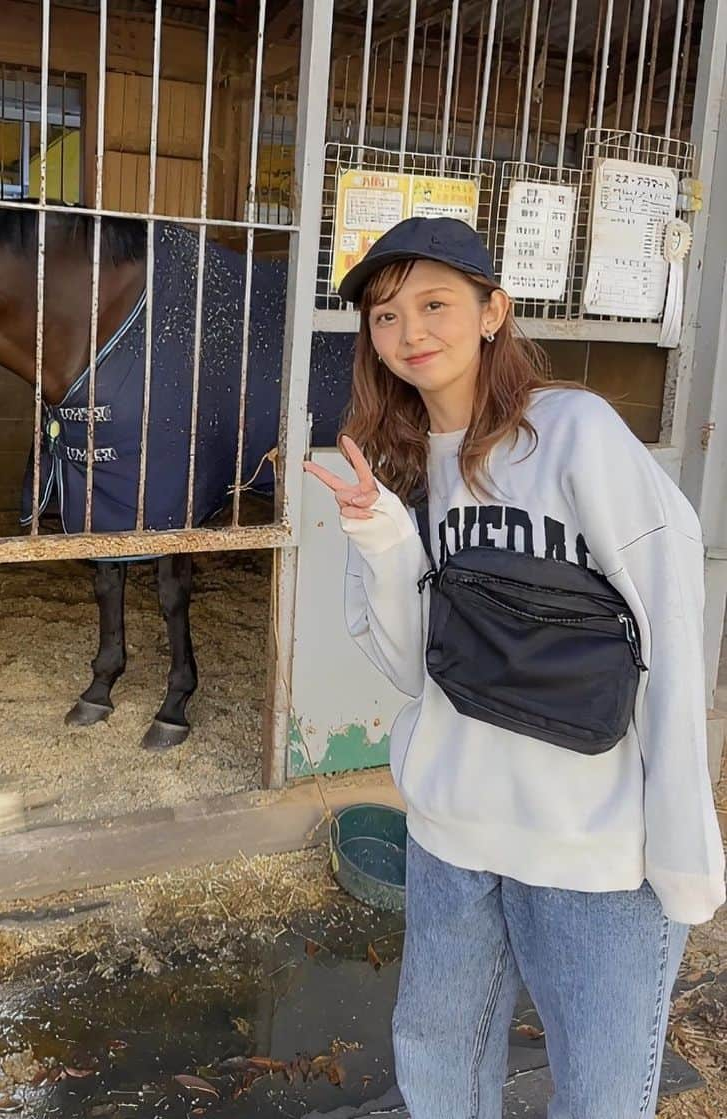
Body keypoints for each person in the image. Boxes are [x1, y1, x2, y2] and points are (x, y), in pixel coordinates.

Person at [304, 216, 725, 1118]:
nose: (409, 332)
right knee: (440, 1071)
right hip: (455, 838)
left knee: (600, 1098)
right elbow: (417, 668)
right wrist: (379, 534)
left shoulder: (574, 433)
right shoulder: (402, 463)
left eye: (434, 303)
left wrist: (684, 846)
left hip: (595, 856)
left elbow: (670, 624)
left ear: (493, 311)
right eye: (383, 315)